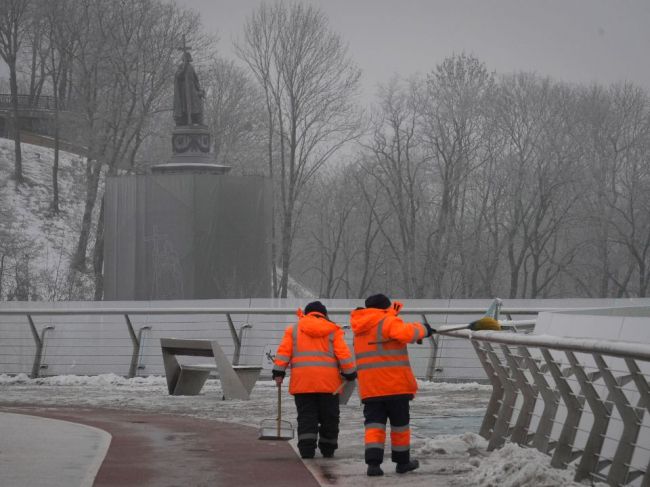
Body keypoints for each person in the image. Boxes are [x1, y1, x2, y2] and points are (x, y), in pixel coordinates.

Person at [349, 293, 434, 477]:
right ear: (384, 308)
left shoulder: (359, 327)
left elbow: (389, 341)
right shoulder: (387, 320)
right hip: (395, 386)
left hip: (371, 389)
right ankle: (402, 463)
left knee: (374, 426)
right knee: (400, 427)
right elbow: (406, 332)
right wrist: (425, 329)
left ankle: (373, 464)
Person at [273, 301, 357, 459]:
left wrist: (279, 372)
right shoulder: (333, 330)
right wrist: (350, 373)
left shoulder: (294, 330)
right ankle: (328, 448)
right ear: (324, 314)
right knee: (330, 417)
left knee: (306, 416)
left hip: (303, 384)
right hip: (329, 385)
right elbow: (344, 355)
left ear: (306, 313)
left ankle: (306, 450)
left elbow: (283, 352)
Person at [173, 51, 205, 125]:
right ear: (183, 59)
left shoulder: (191, 67)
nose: (187, 61)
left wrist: (199, 89)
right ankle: (186, 120)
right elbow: (178, 76)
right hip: (184, 91)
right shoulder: (181, 66)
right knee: (185, 106)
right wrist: (183, 68)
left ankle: (197, 120)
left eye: (188, 59)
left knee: (198, 103)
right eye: (186, 59)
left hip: (192, 89)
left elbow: (195, 79)